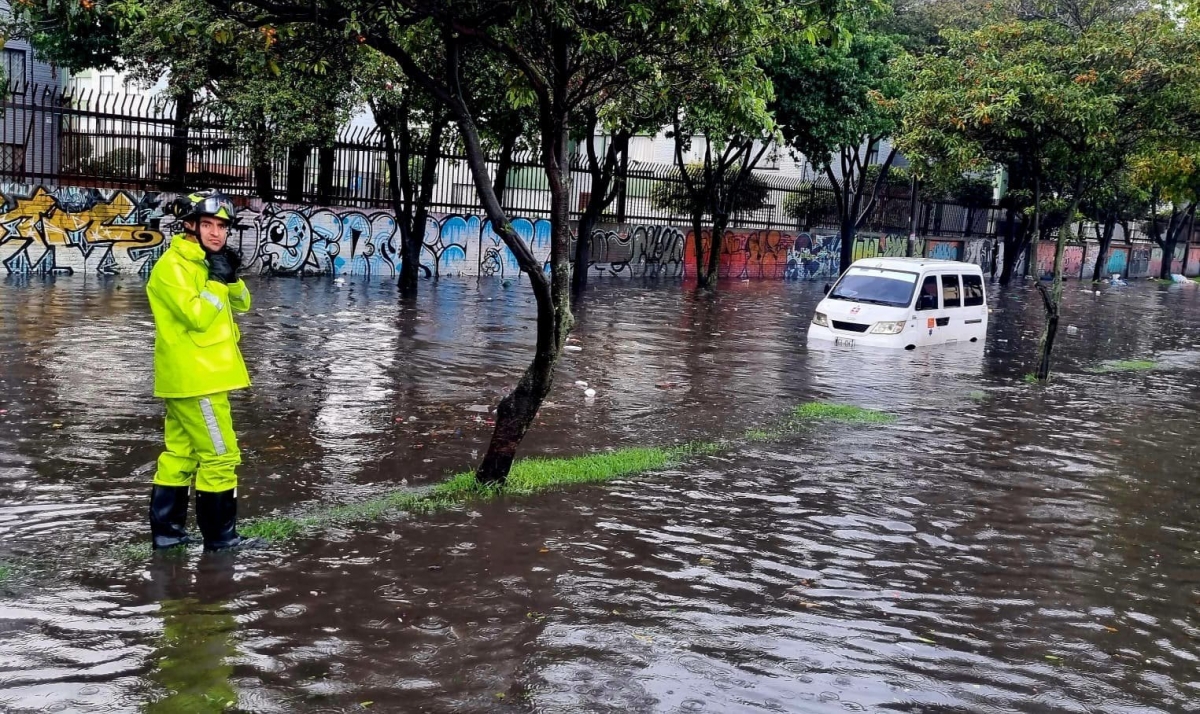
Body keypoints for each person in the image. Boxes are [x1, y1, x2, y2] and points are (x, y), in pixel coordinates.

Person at [145, 189, 260, 551]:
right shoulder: (172, 267)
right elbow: (197, 317)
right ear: (189, 226)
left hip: (197, 378)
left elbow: (243, 304)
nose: (216, 233)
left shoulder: (207, 262)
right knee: (221, 456)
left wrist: (230, 276)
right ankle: (222, 539)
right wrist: (215, 281)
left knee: (180, 454)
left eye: (222, 227)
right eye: (208, 225)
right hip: (199, 380)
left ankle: (168, 535)